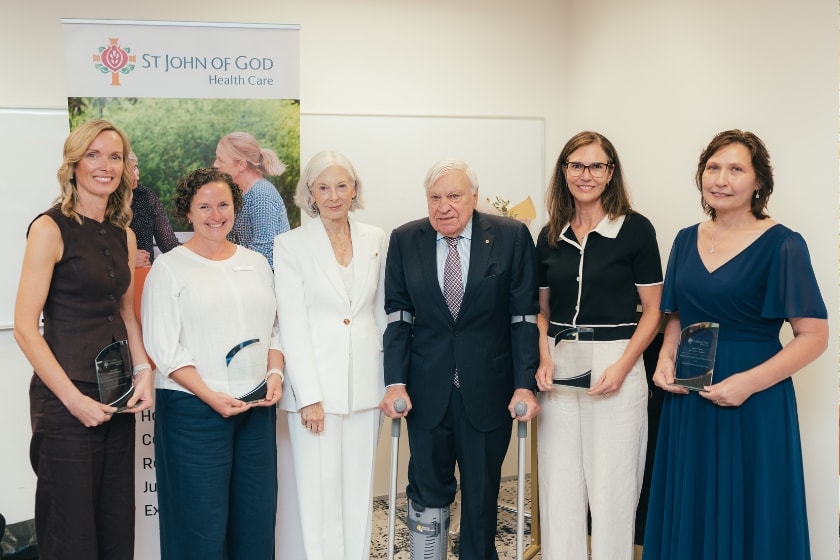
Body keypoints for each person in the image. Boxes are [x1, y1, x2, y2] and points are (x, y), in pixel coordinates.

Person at [642, 130, 828, 560]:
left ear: (758, 182)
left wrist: (747, 383)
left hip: (754, 399)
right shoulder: (685, 239)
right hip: (689, 396)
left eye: (736, 169)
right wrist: (666, 357)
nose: (721, 179)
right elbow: (677, 316)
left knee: (750, 506)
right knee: (692, 499)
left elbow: (814, 336)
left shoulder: (783, 243)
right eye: (712, 167)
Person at [379, 158, 541, 559]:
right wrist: (394, 381)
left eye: (453, 195)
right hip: (427, 389)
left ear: (474, 197)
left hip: (489, 388)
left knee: (482, 495)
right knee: (427, 489)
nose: (443, 206)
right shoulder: (405, 239)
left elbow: (523, 318)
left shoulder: (510, 236)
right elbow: (398, 316)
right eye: (435, 197)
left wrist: (525, 383)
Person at [12, 118, 155, 559]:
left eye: (114, 156)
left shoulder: (124, 235)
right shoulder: (50, 229)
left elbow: (127, 316)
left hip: (117, 397)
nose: (104, 166)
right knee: (70, 533)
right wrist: (74, 401)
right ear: (73, 164)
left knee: (116, 525)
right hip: (65, 405)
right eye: (93, 155)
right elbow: (24, 328)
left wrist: (144, 371)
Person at [141, 167, 284, 560]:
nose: (214, 214)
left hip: (255, 407)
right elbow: (165, 349)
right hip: (193, 411)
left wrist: (274, 372)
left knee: (255, 522)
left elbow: (275, 326)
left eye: (223, 204)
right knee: (198, 528)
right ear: (187, 211)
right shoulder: (169, 268)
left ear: (235, 207)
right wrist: (211, 396)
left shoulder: (257, 263)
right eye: (203, 206)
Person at [534, 131, 663, 559]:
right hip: (559, 363)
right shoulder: (550, 234)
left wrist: (625, 366)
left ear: (611, 173)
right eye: (576, 165)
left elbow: (654, 310)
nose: (585, 174)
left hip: (616, 360)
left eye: (596, 166)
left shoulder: (636, 230)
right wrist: (543, 355)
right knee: (559, 488)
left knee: (613, 488)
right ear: (564, 171)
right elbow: (542, 308)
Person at [273, 150, 386, 560]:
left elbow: (380, 314)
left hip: (366, 388)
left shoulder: (375, 238)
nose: (334, 195)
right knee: (320, 496)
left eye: (342, 185)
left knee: (359, 493)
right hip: (317, 391)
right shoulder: (290, 244)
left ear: (354, 189)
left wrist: (390, 382)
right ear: (310, 193)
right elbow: (292, 323)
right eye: (324, 187)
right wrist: (310, 397)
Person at [213, 131, 290, 269]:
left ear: (241, 165)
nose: (215, 164)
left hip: (265, 282)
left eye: (221, 159)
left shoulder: (261, 196)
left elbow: (263, 252)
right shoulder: (238, 192)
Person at [128, 151, 180, 267]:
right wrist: (128, 258)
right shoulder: (102, 200)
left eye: (135, 167)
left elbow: (169, 244)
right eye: (129, 170)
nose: (136, 176)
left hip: (145, 276)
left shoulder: (146, 196)